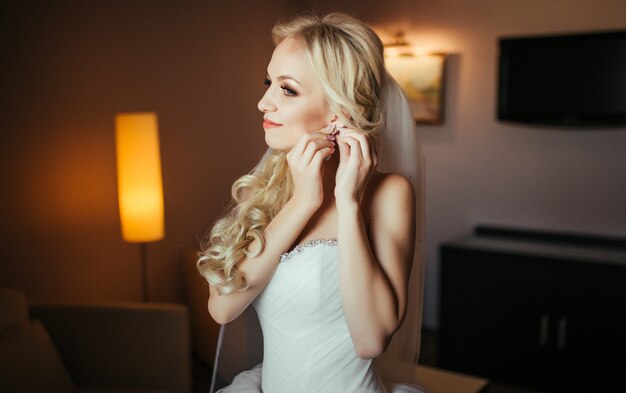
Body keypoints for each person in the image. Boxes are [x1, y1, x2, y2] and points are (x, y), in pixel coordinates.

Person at [197, 12, 425, 393]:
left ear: (339, 112)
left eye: (286, 89)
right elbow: (223, 308)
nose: (262, 103)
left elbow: (370, 340)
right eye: (268, 82)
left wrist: (348, 204)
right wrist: (303, 201)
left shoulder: (390, 195)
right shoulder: (264, 191)